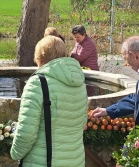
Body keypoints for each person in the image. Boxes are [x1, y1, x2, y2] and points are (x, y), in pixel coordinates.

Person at [10, 36, 87, 167]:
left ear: (39, 58)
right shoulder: (79, 83)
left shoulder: (37, 83)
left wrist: (15, 154)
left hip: (43, 162)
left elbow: (26, 133)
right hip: (75, 160)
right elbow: (81, 123)